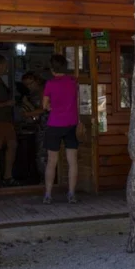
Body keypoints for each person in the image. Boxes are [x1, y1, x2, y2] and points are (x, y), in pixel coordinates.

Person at [43, 54, 80, 204]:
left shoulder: (50, 84)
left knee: (52, 161)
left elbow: (45, 105)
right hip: (71, 124)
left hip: (54, 124)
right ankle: (71, 193)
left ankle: (48, 194)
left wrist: (52, 107)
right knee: (73, 161)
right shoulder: (73, 81)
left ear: (52, 69)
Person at [0, 54, 18, 186]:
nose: (6, 67)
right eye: (4, 65)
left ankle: (8, 175)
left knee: (12, 145)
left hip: (6, 120)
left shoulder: (0, 80)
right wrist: (6, 104)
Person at [21, 72, 49, 181]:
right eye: (26, 85)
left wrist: (28, 114)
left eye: (30, 84)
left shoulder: (42, 90)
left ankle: (45, 178)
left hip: (46, 124)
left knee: (42, 153)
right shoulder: (33, 93)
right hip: (40, 124)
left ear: (36, 81)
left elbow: (43, 109)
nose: (28, 87)